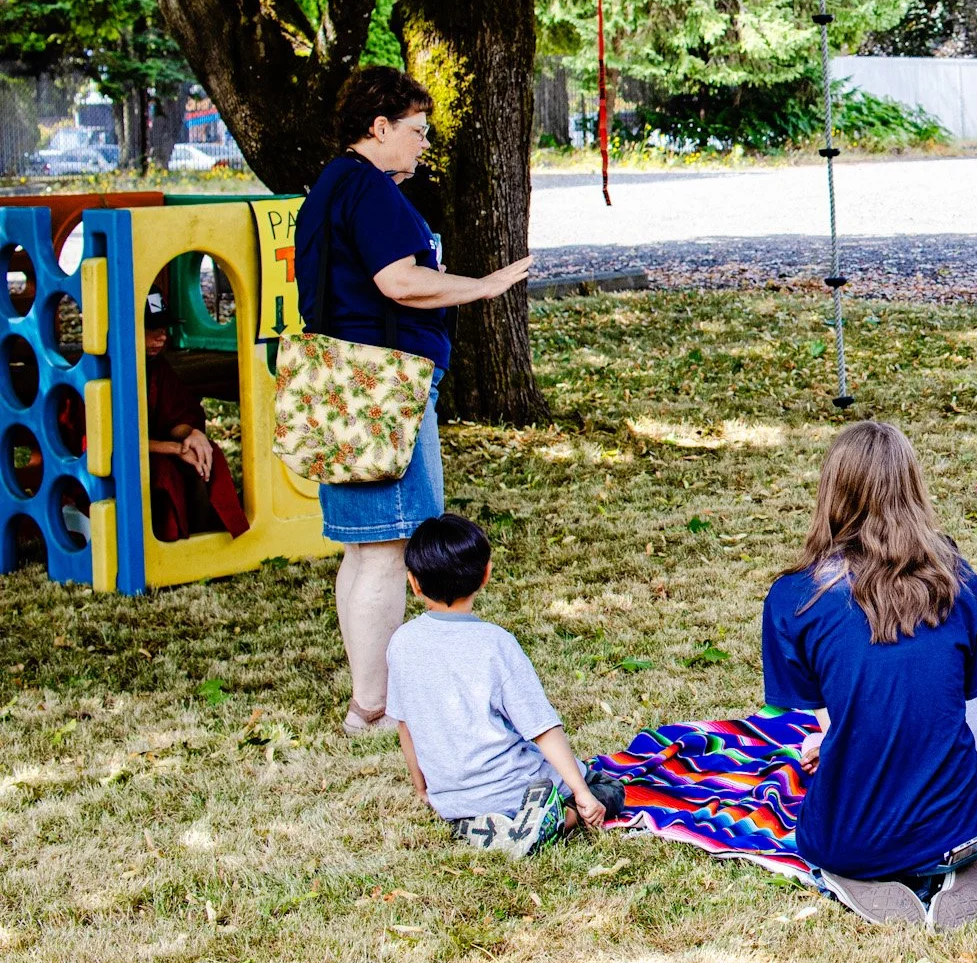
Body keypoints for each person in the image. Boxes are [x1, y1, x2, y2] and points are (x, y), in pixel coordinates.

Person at [298, 68, 533, 737]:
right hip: (381, 382)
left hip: (341, 376)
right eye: (415, 130)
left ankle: (368, 697)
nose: (423, 144)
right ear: (379, 128)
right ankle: (371, 708)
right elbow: (398, 279)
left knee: (363, 546)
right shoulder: (366, 188)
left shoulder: (335, 185)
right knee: (387, 546)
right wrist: (482, 286)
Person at [761, 422, 977, 931]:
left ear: (832, 490)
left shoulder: (794, 598)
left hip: (856, 836)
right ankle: (960, 861)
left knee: (826, 835)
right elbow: (976, 724)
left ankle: (858, 874)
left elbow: (838, 710)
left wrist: (839, 743)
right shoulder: (961, 582)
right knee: (959, 810)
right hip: (966, 821)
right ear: (913, 487)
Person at [385, 514, 625, 857]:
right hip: (515, 791)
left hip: (452, 799)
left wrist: (422, 787)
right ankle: (556, 818)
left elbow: (404, 724)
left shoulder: (401, 643)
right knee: (607, 787)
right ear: (486, 574)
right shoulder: (495, 644)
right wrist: (582, 794)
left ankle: (478, 826)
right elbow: (542, 729)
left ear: (414, 583)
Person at [140, 293, 247, 542]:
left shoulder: (157, 367)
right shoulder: (106, 373)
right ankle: (173, 538)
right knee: (162, 471)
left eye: (164, 328)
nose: (162, 336)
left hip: (161, 446)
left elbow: (176, 412)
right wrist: (175, 449)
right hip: (123, 458)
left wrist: (192, 435)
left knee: (206, 454)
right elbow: (111, 444)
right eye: (152, 328)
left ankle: (213, 533)